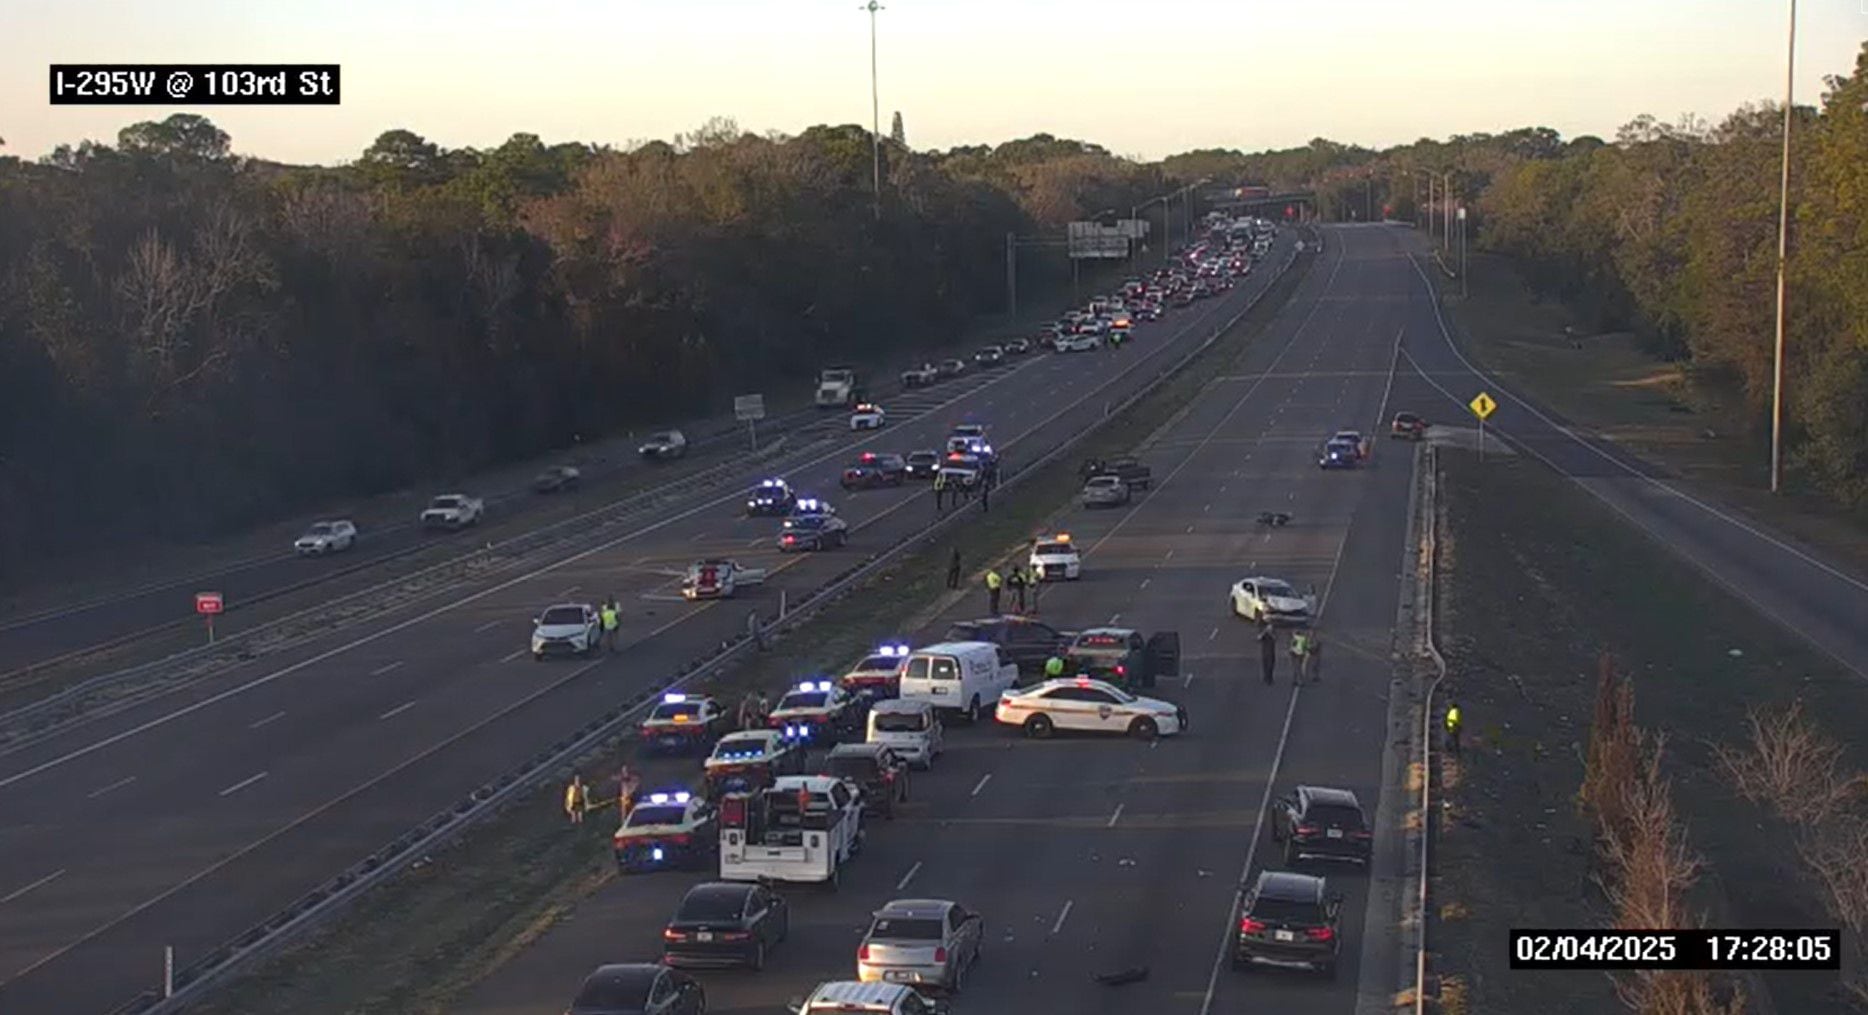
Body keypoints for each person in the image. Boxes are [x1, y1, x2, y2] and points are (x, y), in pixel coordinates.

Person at [1258, 620, 1277, 686]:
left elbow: (1275, 638)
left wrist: (1270, 633)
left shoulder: (1272, 634)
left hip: (1271, 653)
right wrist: (1264, 632)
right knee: (1265, 665)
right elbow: (1259, 638)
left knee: (1270, 666)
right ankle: (1266, 677)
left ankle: (1270, 678)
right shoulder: (1264, 635)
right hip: (1265, 653)